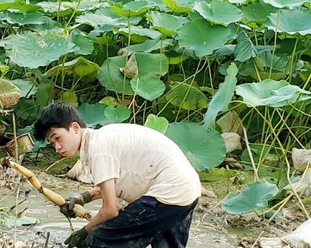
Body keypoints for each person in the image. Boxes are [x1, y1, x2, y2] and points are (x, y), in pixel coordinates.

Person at [32, 103, 201, 248]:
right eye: (53, 143)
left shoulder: (98, 149)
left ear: (75, 128)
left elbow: (110, 210)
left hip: (168, 193)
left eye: (58, 138)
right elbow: (117, 182)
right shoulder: (104, 137)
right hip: (188, 190)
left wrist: (83, 232)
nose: (57, 147)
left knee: (99, 239)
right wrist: (83, 197)